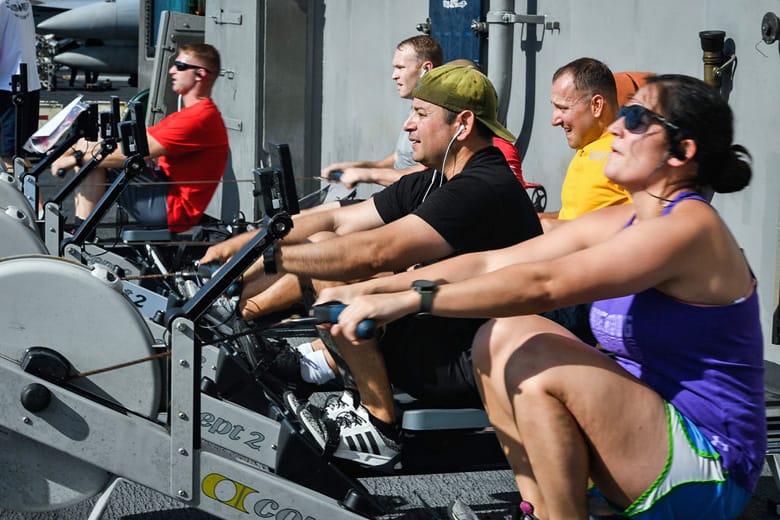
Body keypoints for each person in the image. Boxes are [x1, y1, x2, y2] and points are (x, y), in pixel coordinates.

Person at [321, 74, 764, 519]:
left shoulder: (691, 228)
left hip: (707, 470)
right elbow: (492, 263)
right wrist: (373, 289)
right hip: (643, 446)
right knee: (492, 340)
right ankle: (540, 510)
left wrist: (412, 302)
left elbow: (543, 284)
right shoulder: (628, 218)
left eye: (634, 117)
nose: (614, 128)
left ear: (682, 151)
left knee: (524, 339)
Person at [201, 65, 543, 465]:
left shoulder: (482, 186)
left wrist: (269, 257)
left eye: (420, 113)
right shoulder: (433, 179)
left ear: (463, 124)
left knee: (334, 264)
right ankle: (346, 390)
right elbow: (335, 218)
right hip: (437, 333)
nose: (408, 124)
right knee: (327, 246)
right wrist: (247, 246)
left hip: (466, 361)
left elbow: (375, 252)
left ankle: (380, 425)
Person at [51, 43, 228, 233]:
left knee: (98, 160)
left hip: (171, 209)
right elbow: (136, 140)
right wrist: (75, 149)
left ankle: (80, 236)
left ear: (200, 74)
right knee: (93, 148)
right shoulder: (190, 115)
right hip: (165, 193)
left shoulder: (198, 118)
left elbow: (132, 153)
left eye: (180, 66)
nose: (171, 71)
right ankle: (81, 234)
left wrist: (75, 158)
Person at [319, 35, 442, 190]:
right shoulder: (414, 107)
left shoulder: (436, 114)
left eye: (400, 67)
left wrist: (369, 175)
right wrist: (358, 167)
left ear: (426, 69)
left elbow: (425, 174)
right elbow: (400, 158)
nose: (394, 76)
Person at [539, 57, 631, 233]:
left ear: (596, 105)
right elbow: (581, 214)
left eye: (563, 108)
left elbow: (645, 224)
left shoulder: (626, 151)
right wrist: (542, 218)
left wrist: (558, 229)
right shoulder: (588, 147)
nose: (554, 120)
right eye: (554, 107)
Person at [0, 0, 42, 173]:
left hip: (17, 85)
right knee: (15, 159)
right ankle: (31, 201)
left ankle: (28, 201)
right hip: (18, 85)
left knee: (15, 159)